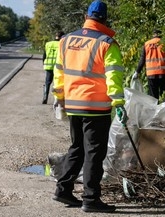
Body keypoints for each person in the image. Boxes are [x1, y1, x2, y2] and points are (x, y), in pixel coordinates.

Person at [51, 0, 127, 213]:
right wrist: (118, 102)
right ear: (104, 18)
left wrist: (59, 97)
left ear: (87, 16)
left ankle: (63, 189)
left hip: (73, 104)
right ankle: (91, 199)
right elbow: (113, 75)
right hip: (96, 106)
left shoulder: (66, 40)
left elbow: (59, 72)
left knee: (77, 148)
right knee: (94, 152)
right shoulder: (106, 43)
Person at [133, 29, 165, 101]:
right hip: (164, 73)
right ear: (160, 34)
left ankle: (154, 111)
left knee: (153, 98)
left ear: (153, 35)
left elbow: (142, 60)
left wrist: (137, 71)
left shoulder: (146, 44)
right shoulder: (164, 43)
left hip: (151, 74)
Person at [42, 31, 64, 104]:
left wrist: (44, 64)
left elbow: (44, 56)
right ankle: (56, 99)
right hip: (58, 67)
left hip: (49, 66)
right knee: (57, 84)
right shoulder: (62, 44)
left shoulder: (48, 44)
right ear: (62, 37)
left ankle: (45, 97)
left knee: (47, 82)